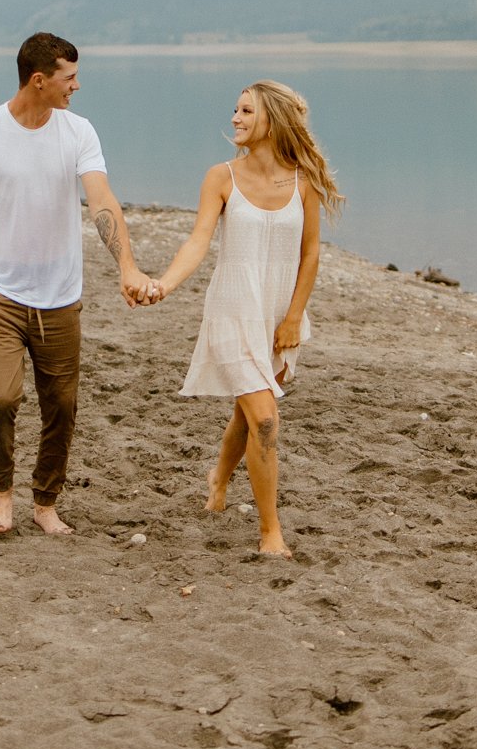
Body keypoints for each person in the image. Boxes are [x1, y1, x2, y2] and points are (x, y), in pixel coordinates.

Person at [0, 33, 154, 536]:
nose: (77, 87)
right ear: (39, 80)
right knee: (1, 398)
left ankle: (45, 500)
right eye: (69, 78)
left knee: (61, 405)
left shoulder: (78, 132)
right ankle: (0, 494)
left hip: (61, 298)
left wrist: (126, 264)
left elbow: (101, 200)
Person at [147, 80, 343, 558]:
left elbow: (311, 252)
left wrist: (295, 316)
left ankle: (219, 477)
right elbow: (198, 241)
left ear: (273, 119)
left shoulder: (303, 181)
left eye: (246, 111)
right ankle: (270, 532)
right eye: (235, 110)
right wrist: (164, 284)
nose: (235, 118)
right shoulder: (221, 177)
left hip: (277, 314)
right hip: (233, 310)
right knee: (266, 419)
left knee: (246, 412)